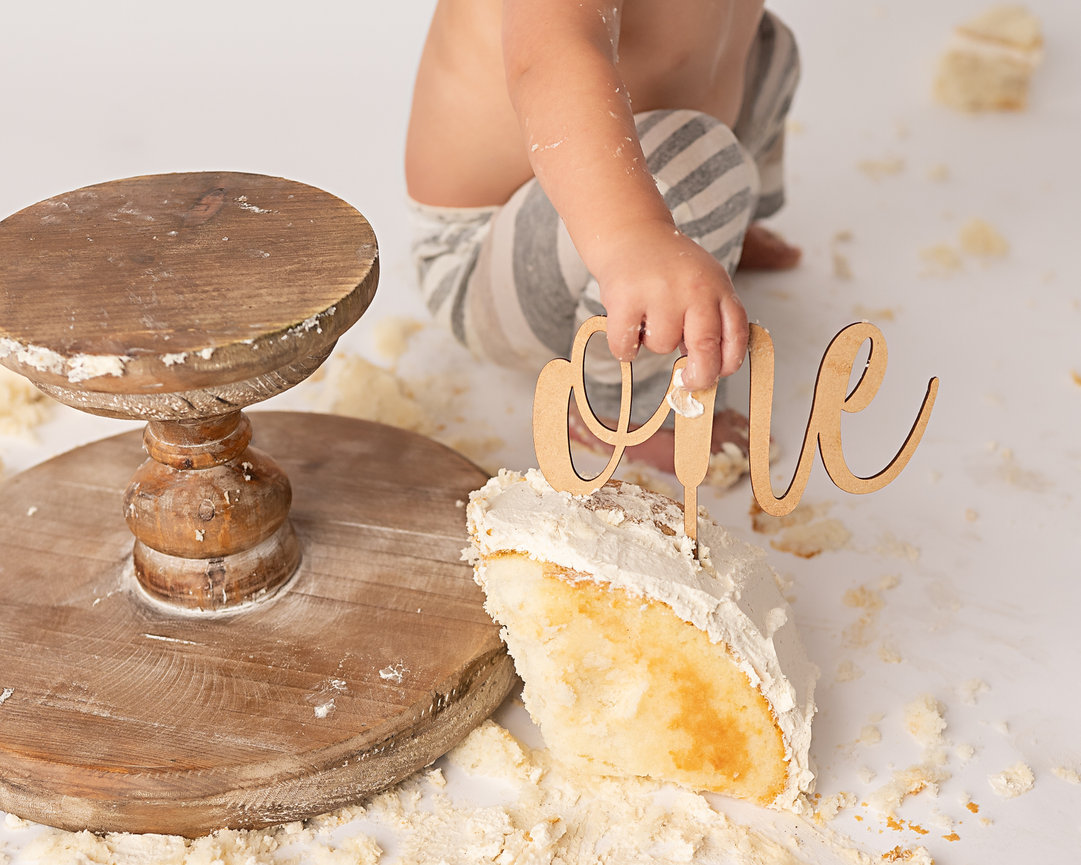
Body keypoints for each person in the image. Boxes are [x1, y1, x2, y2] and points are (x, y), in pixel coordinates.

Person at [405, 0, 800, 474]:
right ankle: (618, 413)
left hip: (631, 186)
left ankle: (723, 223)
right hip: (490, 259)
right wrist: (634, 235)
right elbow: (550, 59)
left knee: (771, 46)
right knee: (698, 165)